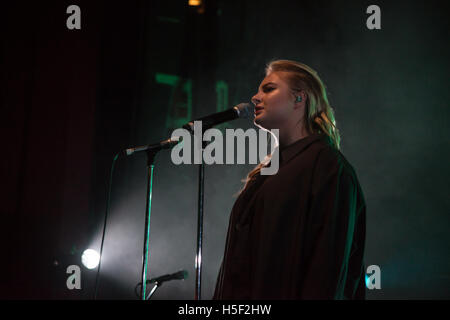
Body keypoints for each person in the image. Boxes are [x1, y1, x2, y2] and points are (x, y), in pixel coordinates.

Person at [212, 59, 366, 300]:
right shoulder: (267, 173)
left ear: (299, 98)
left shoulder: (328, 166)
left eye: (269, 88)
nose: (255, 97)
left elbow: (328, 268)